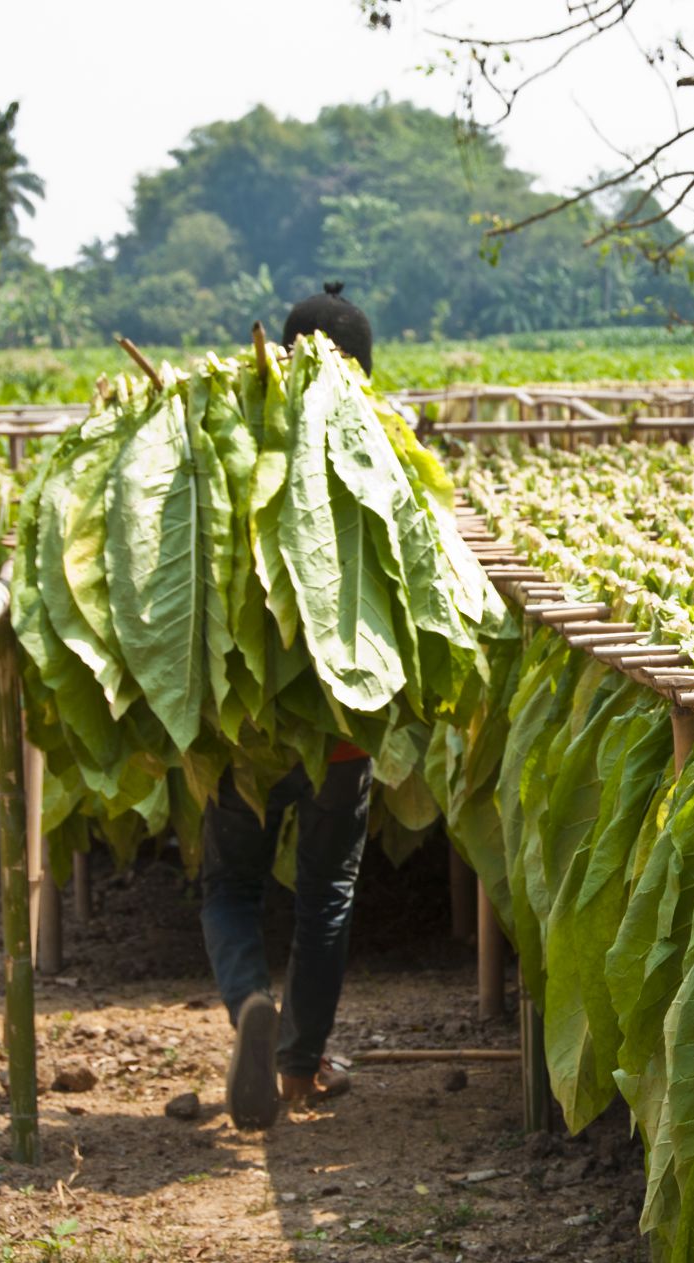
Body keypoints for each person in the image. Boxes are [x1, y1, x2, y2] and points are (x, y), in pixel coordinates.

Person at [202, 283, 377, 1130]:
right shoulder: (384, 453)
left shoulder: (227, 443)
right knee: (326, 891)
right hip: (341, 729)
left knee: (230, 884)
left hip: (246, 729)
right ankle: (300, 1068)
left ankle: (246, 1005)